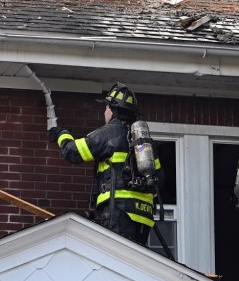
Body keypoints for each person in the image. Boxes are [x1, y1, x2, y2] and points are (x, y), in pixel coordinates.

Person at [48, 83, 161, 245]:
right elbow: (160, 180)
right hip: (144, 217)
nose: (104, 111)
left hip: (118, 211)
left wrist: (62, 134)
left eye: (106, 107)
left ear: (113, 109)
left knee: (116, 258)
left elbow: (72, 152)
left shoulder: (109, 133)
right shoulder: (146, 143)